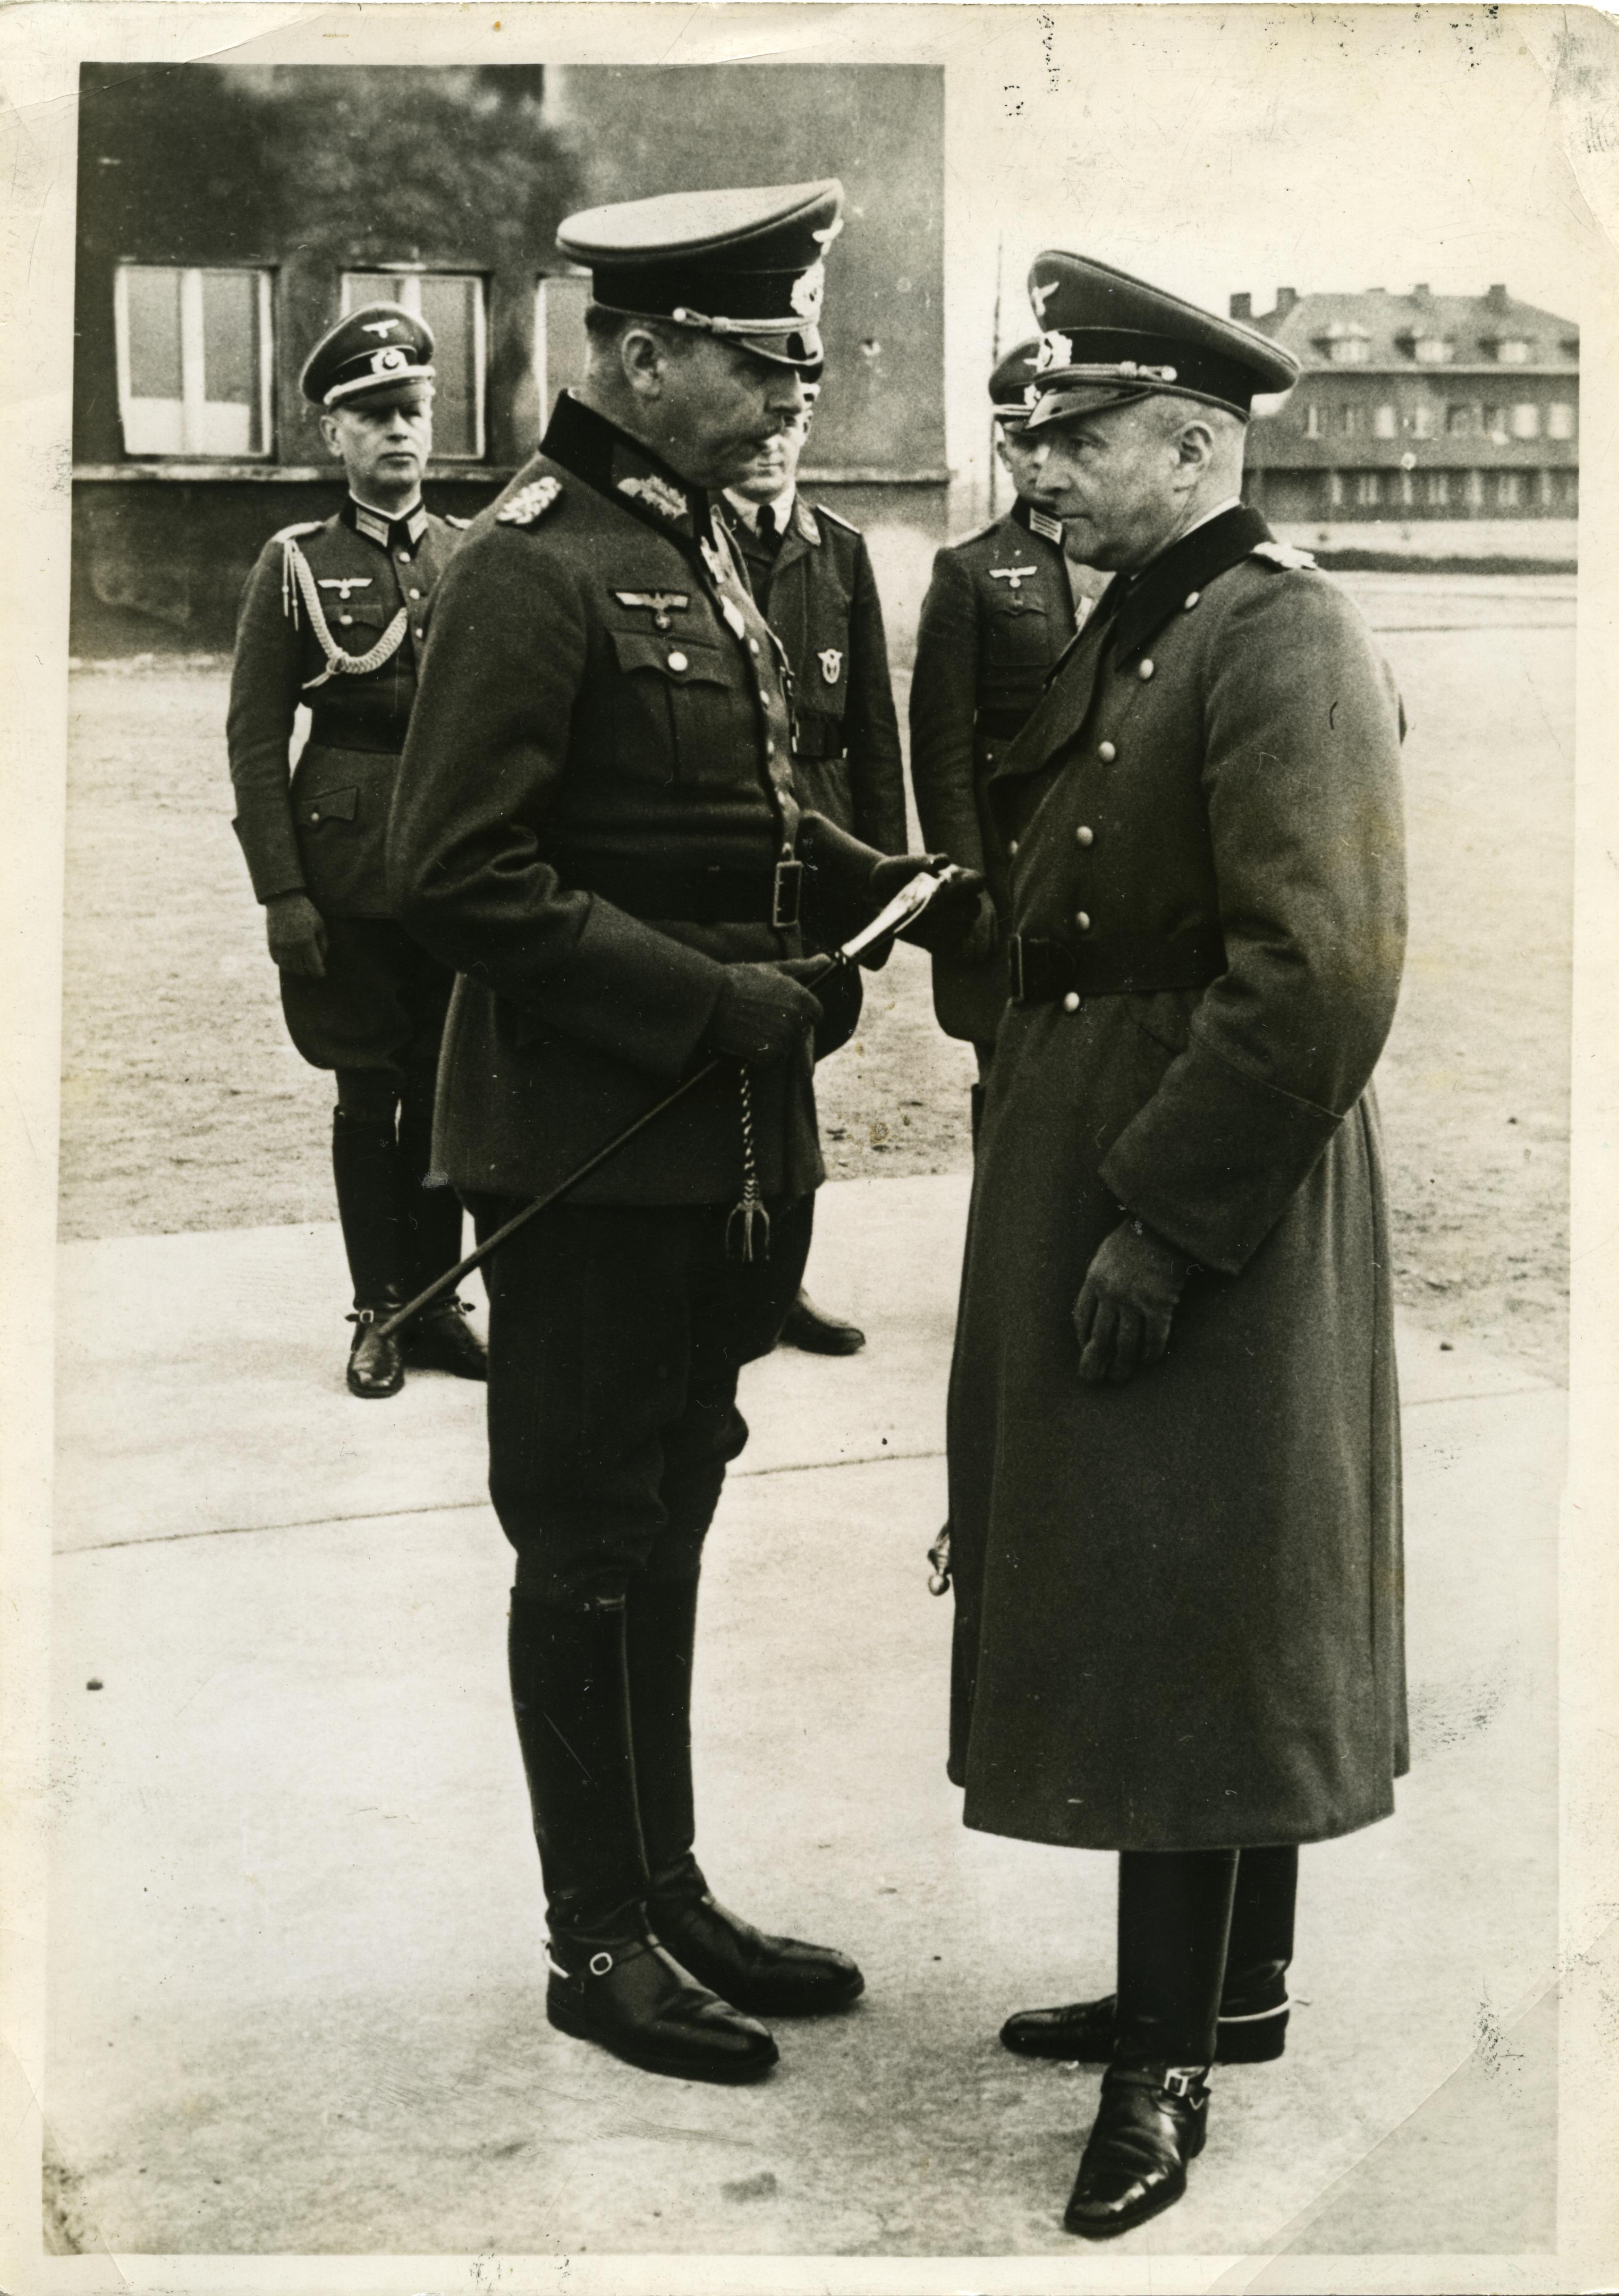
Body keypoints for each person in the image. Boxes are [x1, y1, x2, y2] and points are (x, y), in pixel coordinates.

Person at [386, 181, 979, 2088]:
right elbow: (454, 874)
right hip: (581, 1140)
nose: (788, 384)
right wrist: (710, 1000)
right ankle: (590, 1940)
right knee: (580, 1535)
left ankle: (663, 1883)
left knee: (676, 1501)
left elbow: (751, 810)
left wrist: (890, 884)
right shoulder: (528, 561)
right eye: (756, 356)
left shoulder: (713, 543)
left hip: (720, 1141)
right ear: (637, 358)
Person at [943, 251, 1409, 2238]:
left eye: (1076, 436)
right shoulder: (1154, 618)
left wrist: (1156, 1217)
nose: (1039, 465)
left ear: (1194, 443)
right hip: (1114, 1130)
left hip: (1198, 1170)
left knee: (1185, 1596)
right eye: (1034, 434)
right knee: (1189, 1571)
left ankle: (1168, 2062)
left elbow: (1313, 971)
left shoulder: (1273, 634)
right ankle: (1217, 1986)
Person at [226, 303, 486, 1399]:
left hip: (451, 865)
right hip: (341, 874)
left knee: (446, 1094)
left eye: (412, 411)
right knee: (366, 1092)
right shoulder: (295, 565)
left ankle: (434, 1309)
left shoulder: (475, 556)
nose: (398, 434)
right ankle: (378, 1310)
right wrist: (282, 892)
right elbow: (253, 736)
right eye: (372, 416)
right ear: (331, 437)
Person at [719, 388, 907, 1354]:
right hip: (737, 829)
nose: (768, 447)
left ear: (808, 432)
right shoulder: (697, 536)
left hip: (826, 827)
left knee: (803, 1054)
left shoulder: (839, 550)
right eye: (753, 429)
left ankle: (779, 1280)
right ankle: (725, 1270)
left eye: (785, 427)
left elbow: (874, 723)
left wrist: (886, 886)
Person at [909, 339, 1090, 1078]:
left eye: (1059, 439)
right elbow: (942, 751)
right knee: (1012, 1077)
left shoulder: (1126, 563)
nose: (1042, 461)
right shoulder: (971, 572)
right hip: (1013, 876)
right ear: (1003, 450)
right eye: (1024, 442)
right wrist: (965, 888)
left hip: (1104, 873)